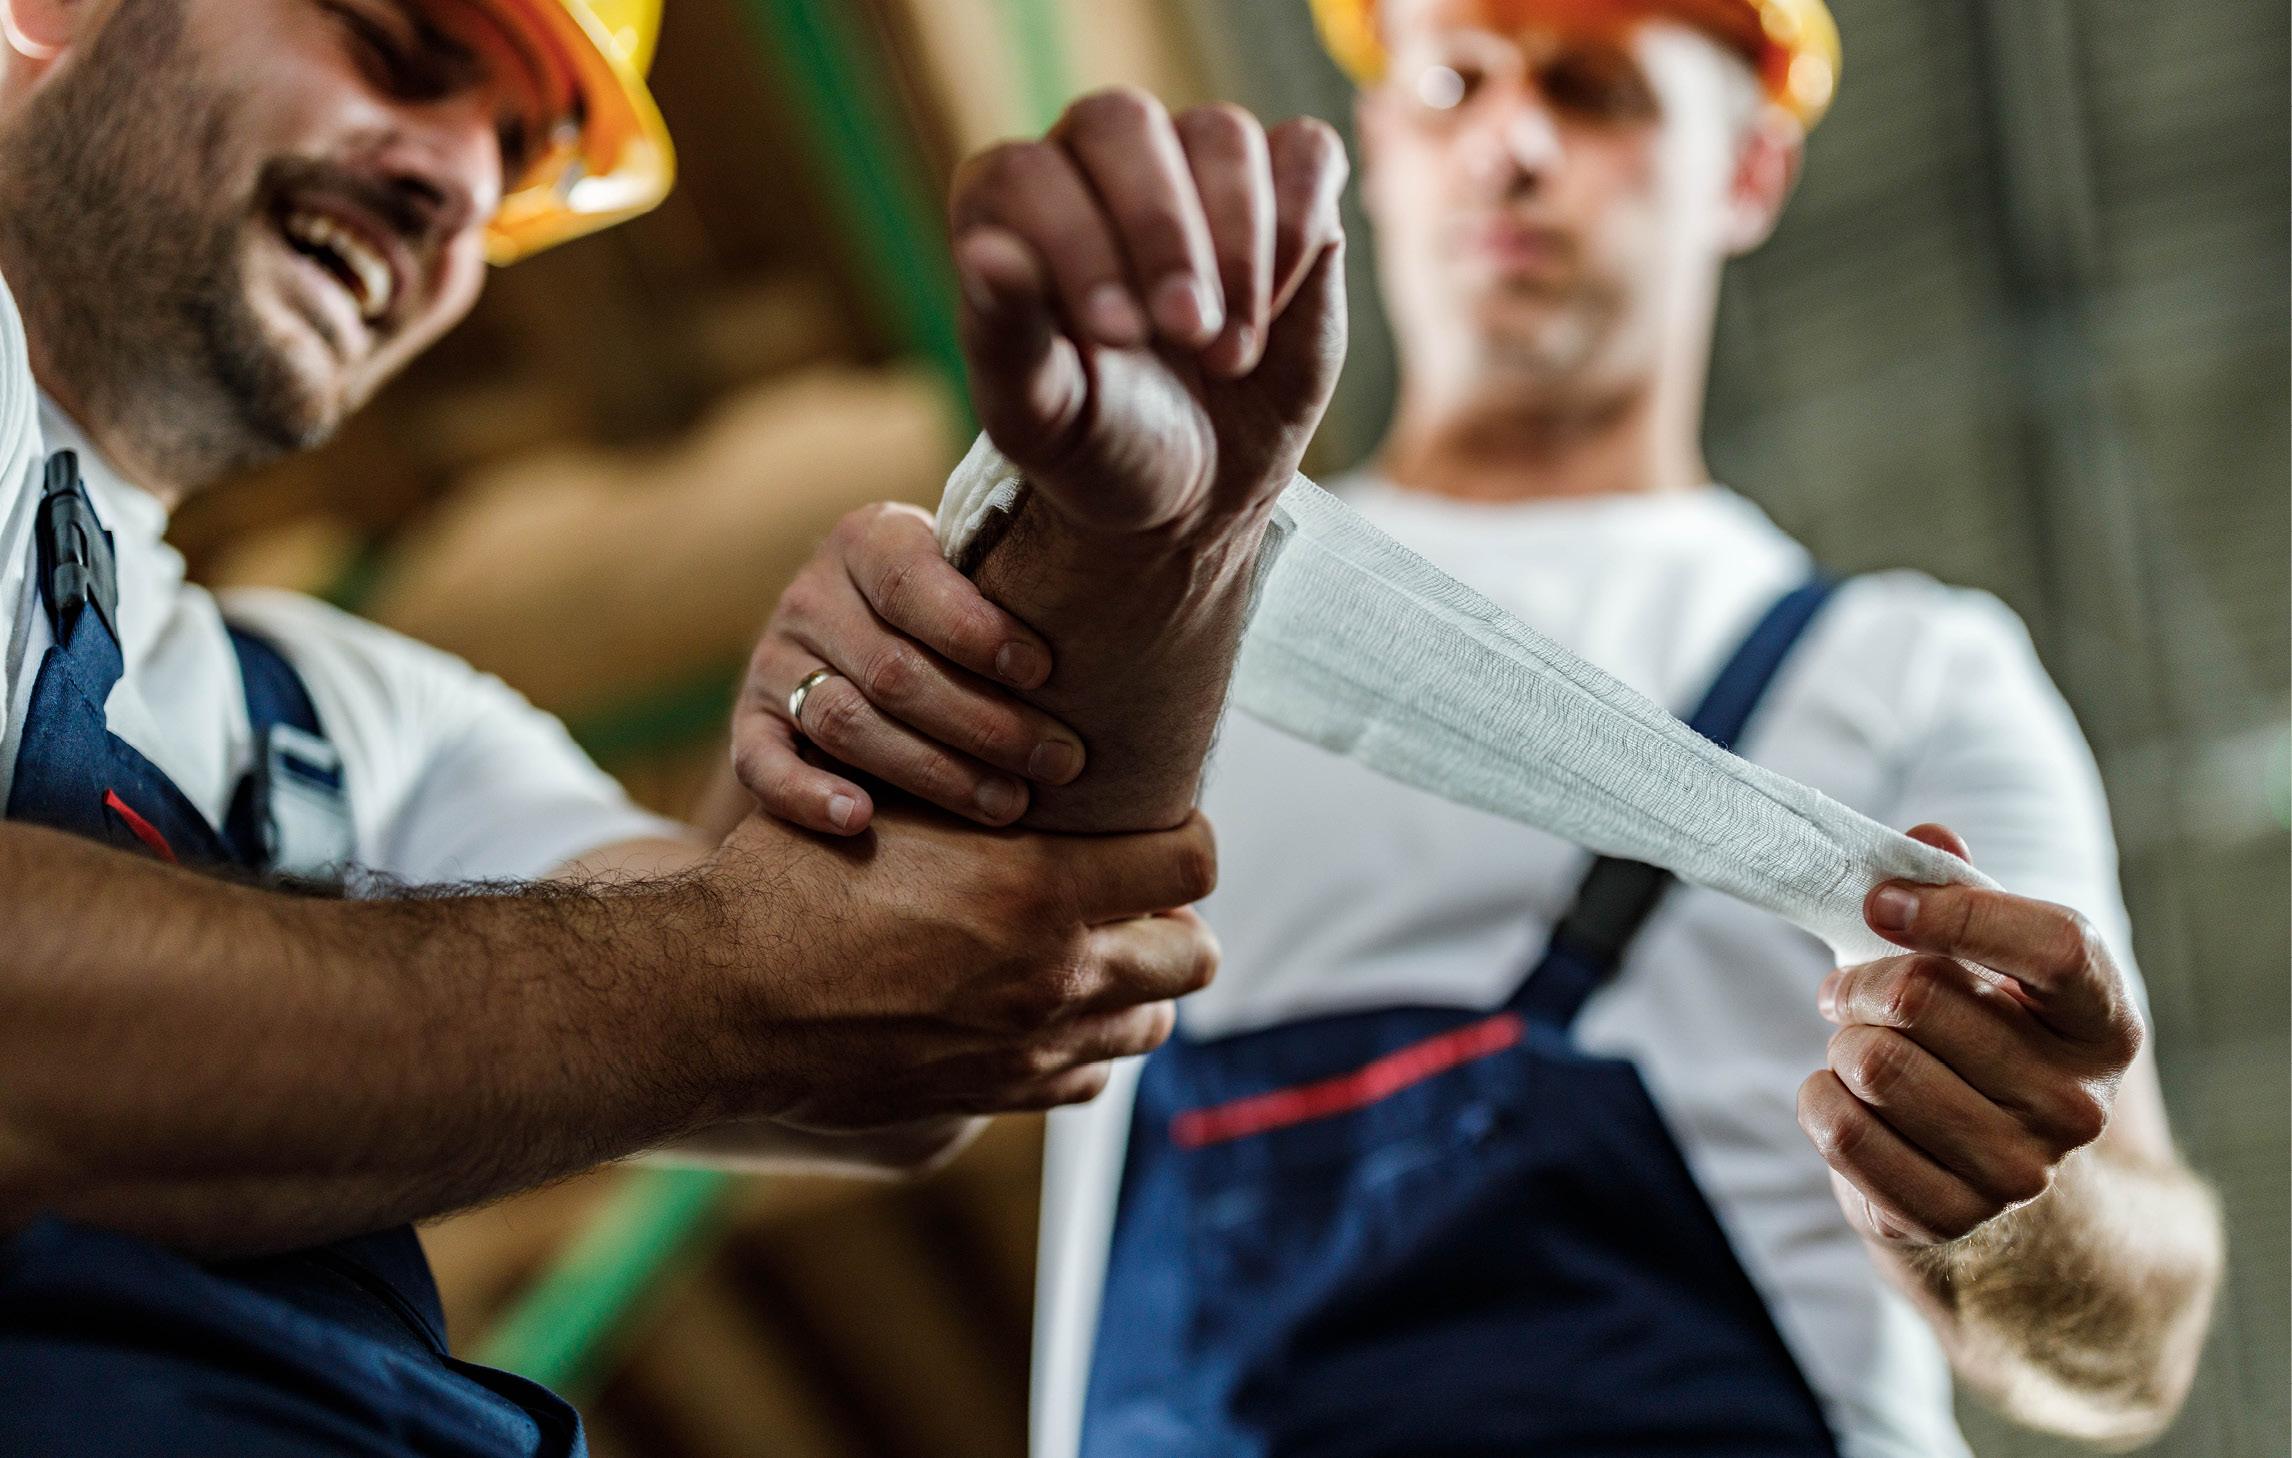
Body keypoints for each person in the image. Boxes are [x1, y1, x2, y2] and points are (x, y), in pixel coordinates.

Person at [743, 0, 2226, 1453]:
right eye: (1453, 81)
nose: (1512, 142)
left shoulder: (1911, 670)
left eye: (1597, 89)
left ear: (1751, 168)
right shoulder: (1129, 617)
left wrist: (2019, 1199)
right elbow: (788, 1061)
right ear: (1379, 138)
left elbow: (2135, 1340)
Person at [0, 0, 1348, 1452]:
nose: (454, 186)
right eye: (398, 45)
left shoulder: (347, 715)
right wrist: (750, 967)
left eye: (512, 171)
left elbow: (891, 1038)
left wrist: (1150, 536)